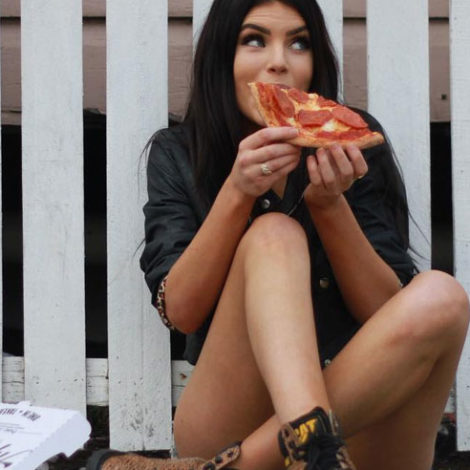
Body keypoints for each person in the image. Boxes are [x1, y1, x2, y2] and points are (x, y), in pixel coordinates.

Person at [88, 0, 470, 469]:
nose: (279, 62)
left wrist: (329, 206)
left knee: (442, 297)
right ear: (222, 57)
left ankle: (281, 456)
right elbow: (181, 311)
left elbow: (386, 313)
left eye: (299, 43)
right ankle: (311, 445)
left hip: (360, 426)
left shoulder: (350, 139)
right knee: (273, 232)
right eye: (254, 40)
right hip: (230, 421)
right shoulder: (180, 152)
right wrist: (237, 192)